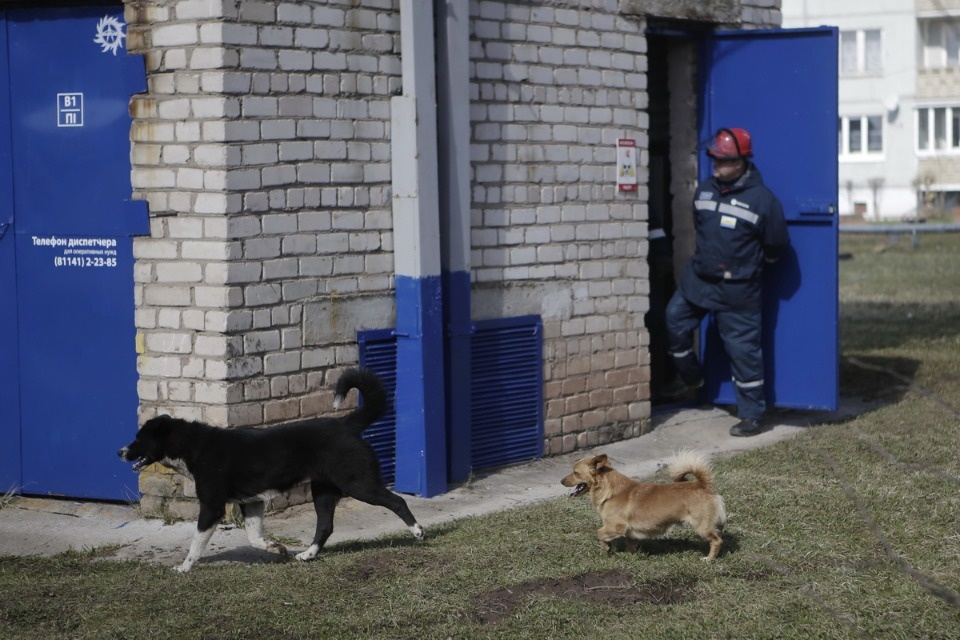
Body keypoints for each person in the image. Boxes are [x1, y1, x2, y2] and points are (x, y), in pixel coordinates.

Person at [661, 127, 790, 437]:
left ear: (742, 161)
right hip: (699, 281)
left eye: (724, 161)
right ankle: (691, 377)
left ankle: (752, 415)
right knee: (673, 320)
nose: (717, 166)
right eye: (714, 160)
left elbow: (776, 245)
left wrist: (749, 266)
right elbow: (699, 229)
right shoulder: (704, 190)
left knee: (744, 352)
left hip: (738, 290)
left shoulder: (763, 200)